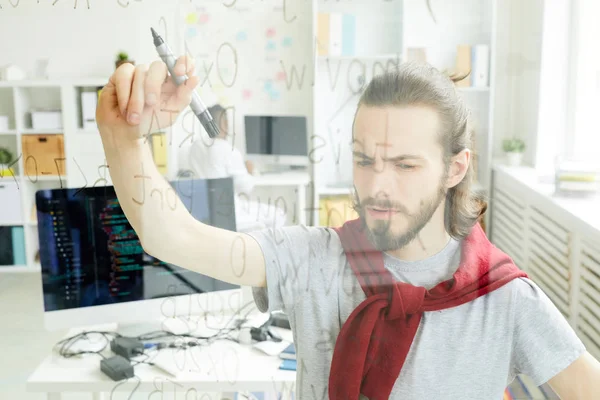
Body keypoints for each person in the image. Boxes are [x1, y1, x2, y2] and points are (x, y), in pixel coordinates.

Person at [96, 57, 600, 399]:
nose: (377, 187)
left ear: (456, 168)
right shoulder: (314, 258)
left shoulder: (506, 299)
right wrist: (125, 140)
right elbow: (172, 236)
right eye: (364, 160)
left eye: (405, 165)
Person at [186, 103, 286, 231]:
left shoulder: (195, 147)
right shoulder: (228, 150)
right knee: (279, 214)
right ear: (224, 123)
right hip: (231, 214)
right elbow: (246, 188)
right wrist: (250, 172)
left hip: (204, 214)